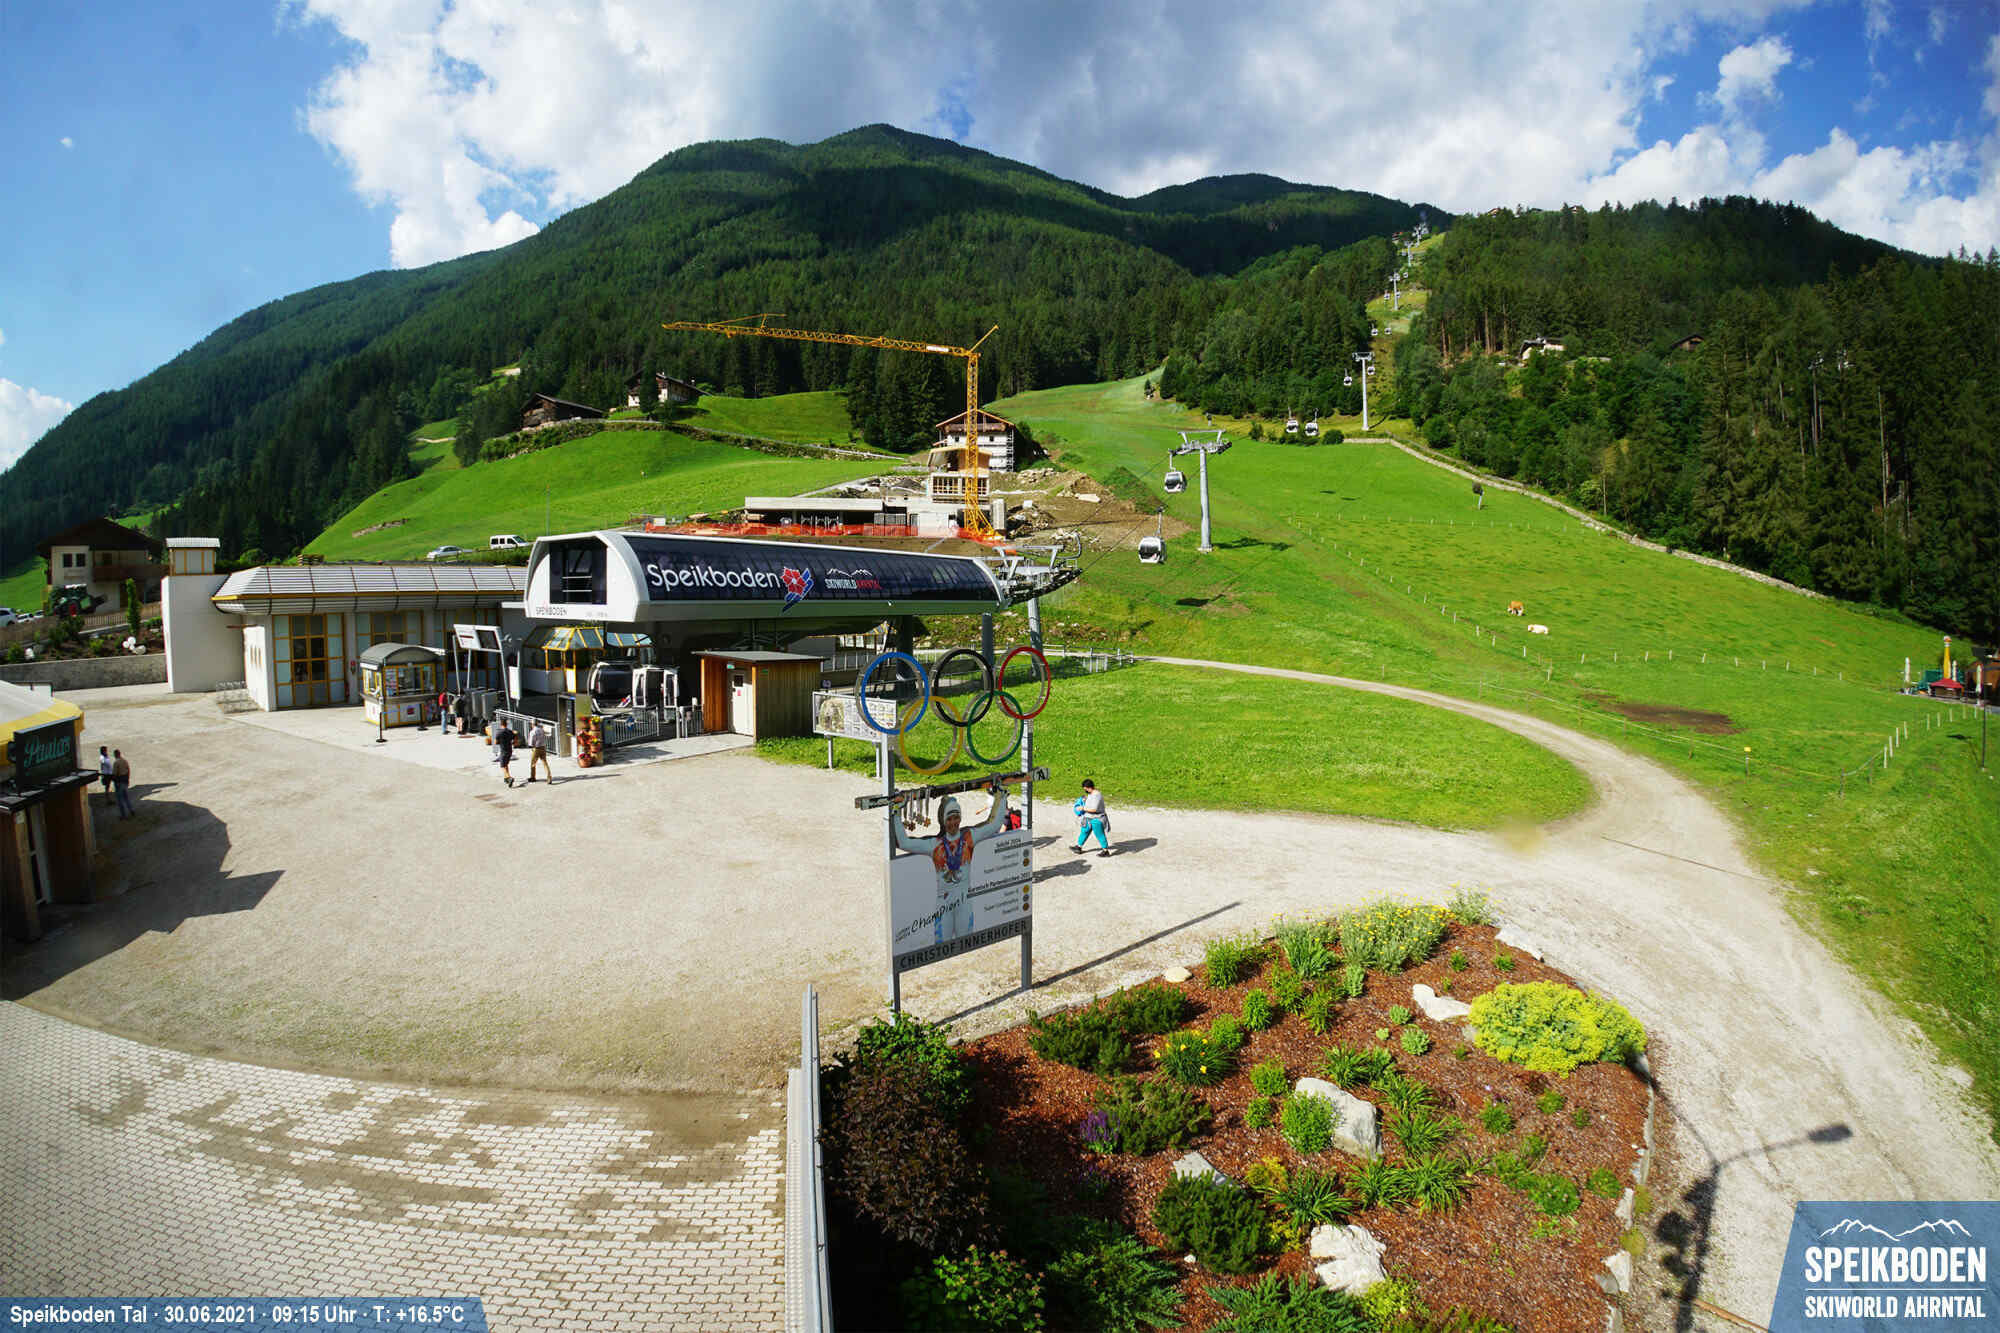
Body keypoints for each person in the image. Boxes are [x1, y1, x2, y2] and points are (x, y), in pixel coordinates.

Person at [891, 783, 1010, 944]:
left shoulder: (969, 836)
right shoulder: (934, 844)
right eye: (949, 818)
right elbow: (903, 843)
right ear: (942, 820)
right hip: (944, 904)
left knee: (965, 943)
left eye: (956, 817)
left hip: (964, 901)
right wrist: (896, 812)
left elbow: (994, 825)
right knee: (941, 947)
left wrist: (1001, 795)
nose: (953, 822)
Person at [1073, 778, 1111, 857]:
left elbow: (1094, 809)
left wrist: (1082, 808)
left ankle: (1105, 851)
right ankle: (1079, 847)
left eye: (1085, 789)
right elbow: (1091, 803)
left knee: (1099, 834)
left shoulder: (1096, 795)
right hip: (1089, 817)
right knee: (1084, 831)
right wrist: (1085, 800)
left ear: (1088, 787)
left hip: (1097, 818)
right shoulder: (1091, 794)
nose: (1085, 790)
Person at [524, 720, 554, 784]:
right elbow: (545, 736)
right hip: (543, 747)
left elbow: (531, 742)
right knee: (545, 763)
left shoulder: (532, 731)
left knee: (533, 763)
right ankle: (549, 777)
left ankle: (533, 777)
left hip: (536, 748)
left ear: (532, 724)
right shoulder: (541, 730)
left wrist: (531, 746)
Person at [110, 748, 135, 818]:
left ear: (115, 755)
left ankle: (123, 815)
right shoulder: (124, 761)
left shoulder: (116, 763)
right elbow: (128, 770)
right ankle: (131, 810)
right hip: (125, 781)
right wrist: (128, 779)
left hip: (119, 782)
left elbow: (114, 774)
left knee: (120, 800)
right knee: (127, 798)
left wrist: (113, 780)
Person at [493, 719, 518, 787]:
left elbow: (495, 742)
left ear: (501, 724)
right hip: (509, 750)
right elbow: (515, 739)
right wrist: (513, 743)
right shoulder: (510, 731)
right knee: (506, 764)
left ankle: (509, 778)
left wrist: (500, 741)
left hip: (503, 751)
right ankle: (506, 778)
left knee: (503, 766)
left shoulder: (499, 732)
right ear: (506, 724)